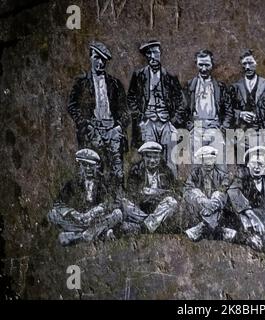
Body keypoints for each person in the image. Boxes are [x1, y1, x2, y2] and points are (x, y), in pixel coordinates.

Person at [67, 41, 129, 187]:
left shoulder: (114, 84)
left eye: (103, 60)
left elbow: (125, 111)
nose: (100, 62)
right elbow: (72, 106)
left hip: (112, 131)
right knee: (93, 171)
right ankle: (94, 202)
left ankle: (118, 202)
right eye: (96, 58)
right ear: (90, 58)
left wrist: (118, 128)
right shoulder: (82, 83)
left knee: (117, 171)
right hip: (92, 131)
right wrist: (85, 125)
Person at [127, 40, 184, 174]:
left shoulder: (170, 76)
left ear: (160, 53)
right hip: (148, 122)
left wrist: (173, 121)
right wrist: (140, 119)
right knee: (150, 155)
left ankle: (172, 187)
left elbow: (181, 101)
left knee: (171, 157)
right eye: (148, 53)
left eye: (155, 52)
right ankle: (148, 187)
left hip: (166, 122)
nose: (152, 56)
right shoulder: (139, 75)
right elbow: (131, 98)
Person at [48, 149, 122, 245]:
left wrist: (99, 209)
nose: (88, 169)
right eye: (84, 165)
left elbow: (115, 201)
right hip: (78, 221)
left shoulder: (104, 181)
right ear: (80, 166)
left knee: (117, 213)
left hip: (97, 221)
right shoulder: (74, 182)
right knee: (52, 213)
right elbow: (58, 203)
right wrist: (73, 213)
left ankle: (82, 236)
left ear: (97, 166)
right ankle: (98, 234)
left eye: (91, 165)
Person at [179, 49, 234, 155]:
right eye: (200, 65)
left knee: (219, 163)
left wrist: (223, 128)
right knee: (196, 163)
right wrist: (190, 127)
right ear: (196, 64)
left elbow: (228, 111)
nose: (203, 69)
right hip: (196, 128)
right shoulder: (189, 86)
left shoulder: (220, 87)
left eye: (207, 65)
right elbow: (183, 110)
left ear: (212, 64)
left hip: (215, 127)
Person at [230, 49, 265, 160]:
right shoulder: (235, 87)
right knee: (244, 167)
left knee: (262, 166)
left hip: (263, 134)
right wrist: (241, 114)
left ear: (257, 62)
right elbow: (229, 111)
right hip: (243, 136)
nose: (247, 67)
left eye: (250, 63)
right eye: (244, 64)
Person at [121, 141, 179, 234]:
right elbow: (132, 193)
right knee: (124, 202)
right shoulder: (136, 170)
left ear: (160, 157)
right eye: (148, 156)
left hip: (158, 208)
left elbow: (172, 192)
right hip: (140, 208)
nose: (152, 160)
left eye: (155, 157)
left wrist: (150, 193)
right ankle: (151, 224)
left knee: (172, 202)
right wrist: (154, 194)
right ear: (143, 157)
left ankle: (142, 227)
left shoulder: (166, 171)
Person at [184, 146, 236, 242]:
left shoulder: (222, 175)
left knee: (219, 194)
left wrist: (212, 203)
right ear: (200, 160)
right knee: (195, 192)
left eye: (211, 159)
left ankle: (203, 227)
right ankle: (220, 231)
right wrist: (203, 200)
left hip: (216, 208)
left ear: (215, 160)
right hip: (200, 208)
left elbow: (224, 189)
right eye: (205, 159)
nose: (208, 163)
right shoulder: (194, 174)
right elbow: (187, 190)